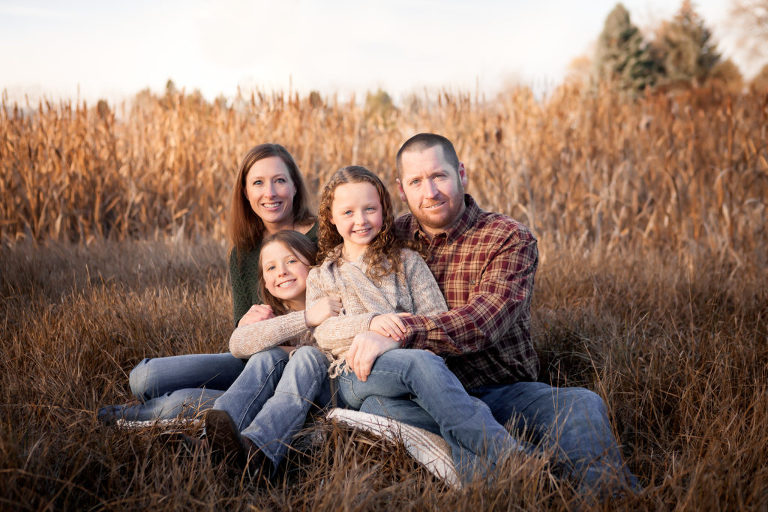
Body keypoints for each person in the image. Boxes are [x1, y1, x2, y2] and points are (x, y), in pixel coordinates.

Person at [345, 133, 638, 496]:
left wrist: (397, 331)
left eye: (439, 176)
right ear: (401, 189)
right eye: (416, 182)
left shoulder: (507, 238)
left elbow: (482, 323)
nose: (430, 192)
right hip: (425, 397)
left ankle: (604, 498)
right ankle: (535, 480)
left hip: (501, 390)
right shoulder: (389, 235)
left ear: (461, 174)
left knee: (581, 404)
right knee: (377, 405)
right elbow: (323, 252)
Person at [306, 165, 527, 480]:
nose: (360, 220)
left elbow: (435, 314)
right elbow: (324, 333)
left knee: (381, 409)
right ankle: (511, 457)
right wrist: (374, 322)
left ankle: (481, 477)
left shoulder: (407, 261)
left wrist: (396, 337)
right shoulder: (323, 274)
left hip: (394, 379)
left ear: (384, 209)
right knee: (418, 363)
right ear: (330, 217)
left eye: (370, 209)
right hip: (353, 372)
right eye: (348, 212)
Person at [98, 143, 319, 424]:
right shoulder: (244, 252)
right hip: (252, 359)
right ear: (245, 192)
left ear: (295, 186)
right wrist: (245, 324)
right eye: (258, 183)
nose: (270, 193)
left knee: (179, 402)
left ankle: (146, 414)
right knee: (145, 377)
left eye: (279, 181)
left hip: (298, 366)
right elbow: (240, 330)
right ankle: (233, 400)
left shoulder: (321, 237)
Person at [204, 230, 339, 480]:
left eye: (291, 261)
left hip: (331, 389)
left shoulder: (333, 302)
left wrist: (294, 350)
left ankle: (260, 453)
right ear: (265, 282)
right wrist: (305, 320)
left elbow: (333, 351)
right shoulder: (274, 316)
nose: (282, 272)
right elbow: (238, 344)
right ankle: (213, 444)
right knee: (266, 356)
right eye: (271, 268)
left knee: (307, 356)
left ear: (313, 264)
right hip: (291, 393)